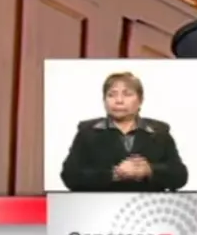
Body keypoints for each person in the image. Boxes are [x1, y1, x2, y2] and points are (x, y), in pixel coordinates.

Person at [60, 71, 188, 192]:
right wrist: (115, 174)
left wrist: (149, 170)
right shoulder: (87, 132)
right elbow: (70, 176)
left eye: (127, 94)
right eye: (111, 95)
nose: (119, 101)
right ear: (104, 100)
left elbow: (180, 176)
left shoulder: (159, 132)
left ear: (140, 100)